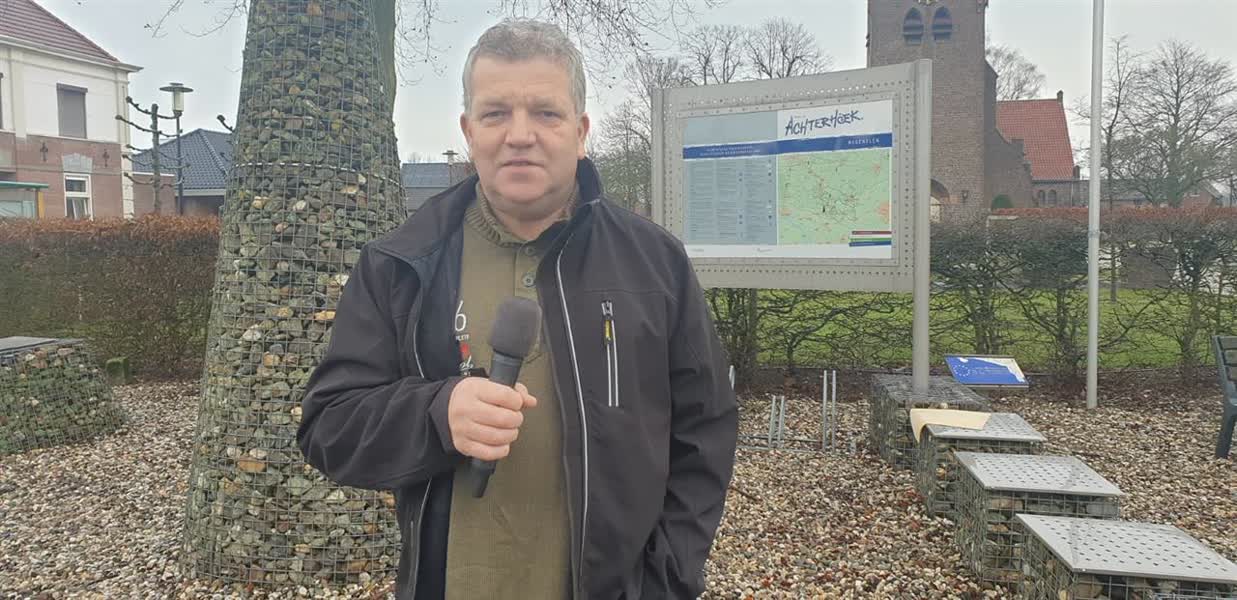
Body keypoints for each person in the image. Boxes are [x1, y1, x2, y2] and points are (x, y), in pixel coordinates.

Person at [297, 18, 737, 600]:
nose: (520, 135)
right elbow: (330, 426)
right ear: (468, 131)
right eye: (496, 113)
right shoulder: (401, 263)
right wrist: (436, 414)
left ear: (581, 131)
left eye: (546, 113)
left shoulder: (655, 264)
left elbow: (705, 430)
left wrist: (666, 582)